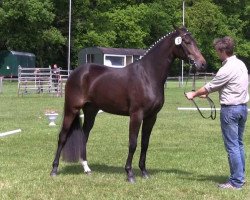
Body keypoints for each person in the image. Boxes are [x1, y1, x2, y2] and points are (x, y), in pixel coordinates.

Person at [185, 36, 249, 190]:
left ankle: (236, 182)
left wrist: (193, 94)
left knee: (232, 146)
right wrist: (207, 93)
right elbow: (229, 85)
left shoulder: (226, 68)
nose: (216, 54)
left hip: (231, 111)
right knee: (238, 145)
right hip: (242, 108)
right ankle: (240, 177)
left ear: (222, 51)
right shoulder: (240, 64)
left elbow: (210, 86)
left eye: (217, 51)